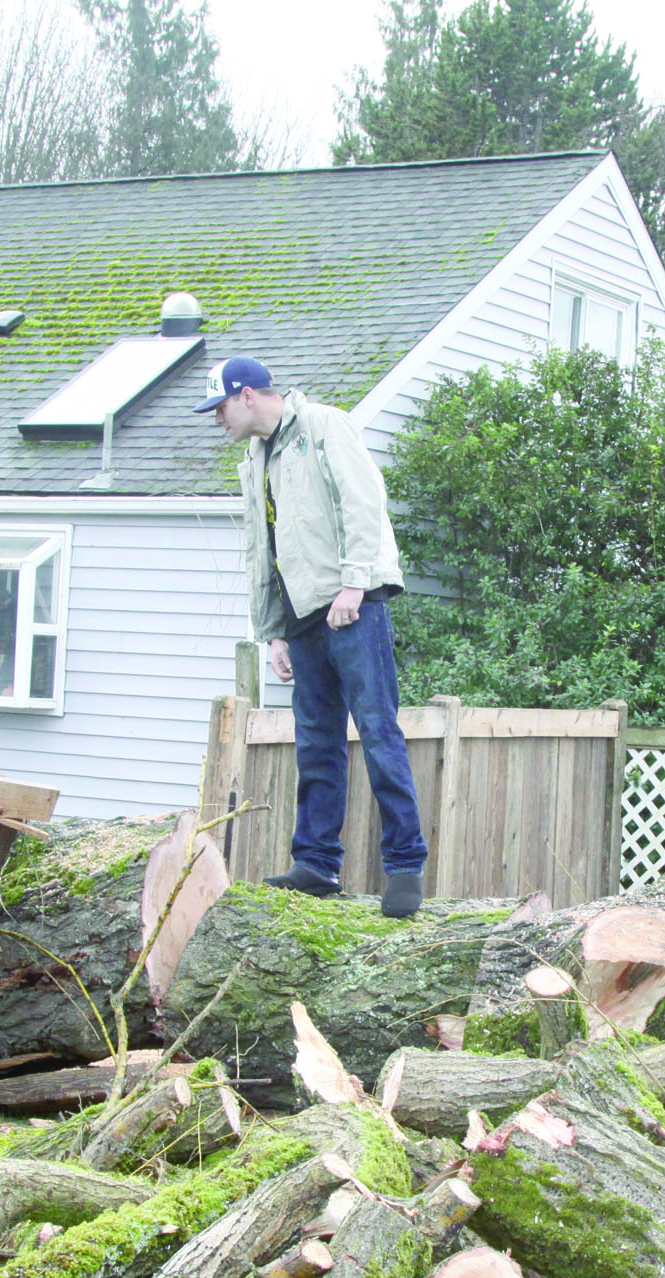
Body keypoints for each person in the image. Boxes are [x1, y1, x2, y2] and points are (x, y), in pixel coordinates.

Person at [199, 355, 427, 918]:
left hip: (353, 602)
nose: (217, 419)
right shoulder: (253, 462)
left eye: (220, 407)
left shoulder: (326, 425)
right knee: (315, 743)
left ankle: (405, 864)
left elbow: (364, 500)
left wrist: (354, 584)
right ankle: (316, 865)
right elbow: (262, 549)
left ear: (247, 394)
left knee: (377, 730)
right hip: (300, 615)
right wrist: (272, 632)